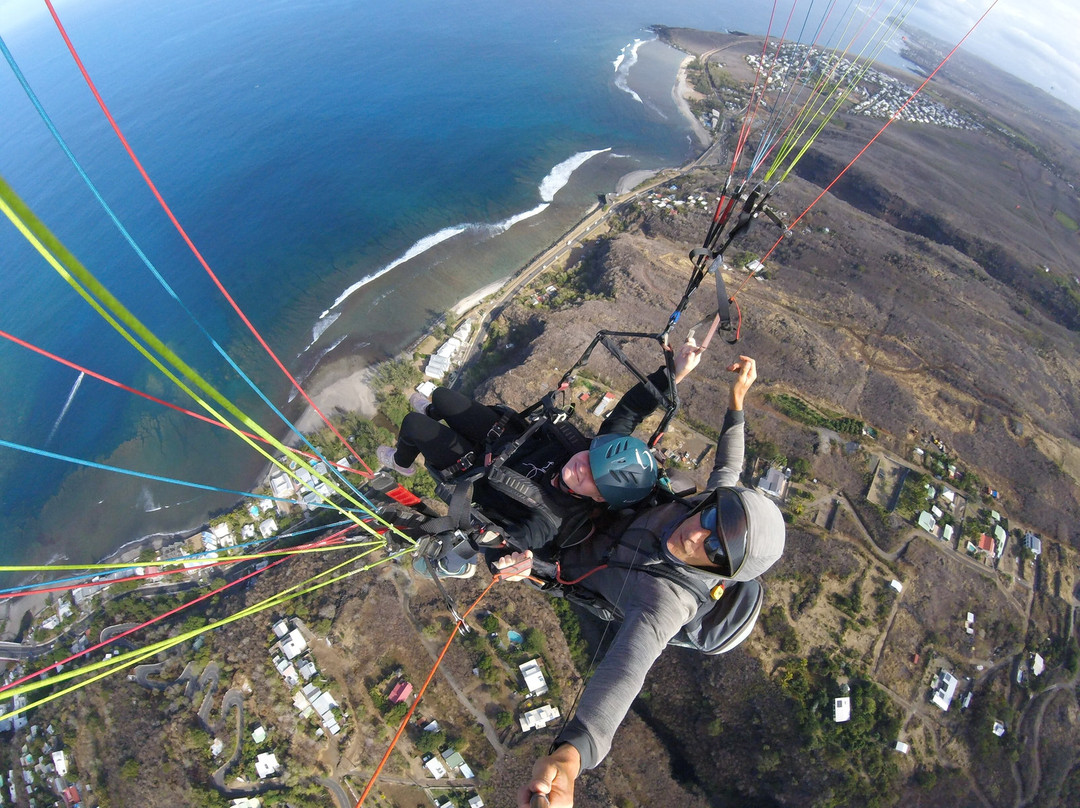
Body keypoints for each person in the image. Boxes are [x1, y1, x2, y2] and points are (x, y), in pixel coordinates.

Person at [508, 356, 786, 808]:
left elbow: (624, 675)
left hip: (560, 556)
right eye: (713, 516)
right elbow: (729, 469)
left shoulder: (666, 605)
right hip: (602, 514)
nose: (697, 532)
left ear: (720, 572)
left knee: (485, 542)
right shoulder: (704, 506)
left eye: (714, 550)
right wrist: (737, 399)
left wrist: (571, 757)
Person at [377, 340, 705, 577]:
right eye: (591, 455)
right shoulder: (598, 451)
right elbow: (630, 410)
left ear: (600, 498)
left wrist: (512, 564)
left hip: (473, 467)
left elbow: (514, 544)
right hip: (502, 437)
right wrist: (673, 373)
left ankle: (402, 461)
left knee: (413, 425)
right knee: (442, 397)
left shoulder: (551, 518)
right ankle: (435, 411)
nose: (581, 464)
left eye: (592, 475)